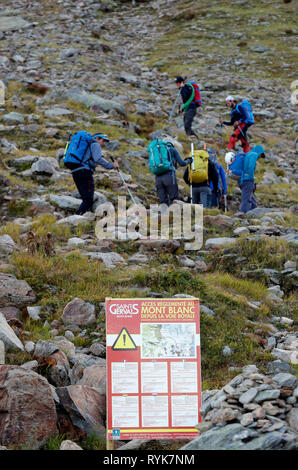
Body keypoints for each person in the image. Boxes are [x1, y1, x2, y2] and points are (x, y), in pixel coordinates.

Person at [71, 133, 118, 215]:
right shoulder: (95, 144)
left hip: (75, 171)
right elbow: (98, 159)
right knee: (88, 200)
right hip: (85, 172)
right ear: (97, 138)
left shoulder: (87, 145)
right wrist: (111, 165)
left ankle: (80, 216)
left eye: (105, 141)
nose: (104, 143)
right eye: (103, 140)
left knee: (85, 198)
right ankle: (77, 217)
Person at [153, 137, 192, 206]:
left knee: (163, 201)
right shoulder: (173, 149)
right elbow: (182, 163)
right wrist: (189, 161)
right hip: (169, 175)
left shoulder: (157, 152)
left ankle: (163, 215)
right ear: (172, 143)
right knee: (173, 198)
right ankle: (172, 215)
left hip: (158, 177)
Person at [226, 145, 265, 213]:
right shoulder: (254, 154)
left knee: (250, 197)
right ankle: (243, 214)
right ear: (259, 152)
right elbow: (250, 166)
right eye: (261, 155)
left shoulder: (247, 154)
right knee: (246, 199)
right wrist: (251, 177)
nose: (260, 157)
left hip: (241, 180)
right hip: (247, 180)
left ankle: (254, 211)